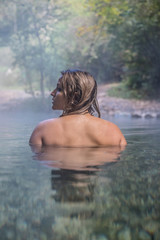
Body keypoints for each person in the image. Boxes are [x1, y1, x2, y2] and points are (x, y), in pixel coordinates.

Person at [29, 69, 127, 147]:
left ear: (74, 96)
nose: (52, 93)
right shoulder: (113, 131)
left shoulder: (43, 129)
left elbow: (38, 161)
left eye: (59, 89)